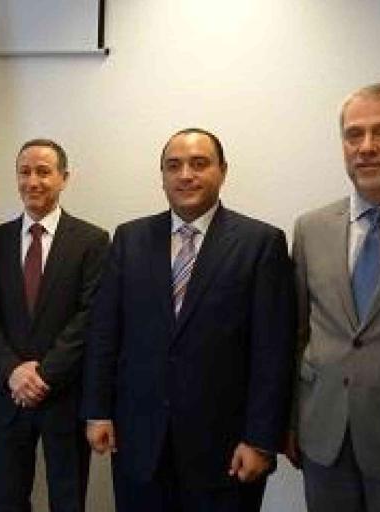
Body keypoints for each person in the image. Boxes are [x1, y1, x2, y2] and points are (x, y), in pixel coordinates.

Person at [83, 128, 296, 511]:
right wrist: (97, 410)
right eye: (174, 165)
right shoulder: (129, 239)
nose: (186, 175)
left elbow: (273, 352)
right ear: (162, 175)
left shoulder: (261, 243)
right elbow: (105, 333)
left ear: (223, 171)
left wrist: (261, 439)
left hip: (227, 450)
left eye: (199, 164)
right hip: (140, 442)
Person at [288, 83, 380, 512]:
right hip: (325, 442)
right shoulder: (312, 228)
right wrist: (290, 421)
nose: (365, 147)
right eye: (353, 135)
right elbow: (296, 333)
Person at [0, 139, 109, 512]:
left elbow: (90, 316)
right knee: (9, 499)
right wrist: (12, 371)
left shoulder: (93, 241)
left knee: (68, 500)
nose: (33, 181)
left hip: (64, 396)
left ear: (64, 178)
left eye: (43, 172)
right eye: (24, 171)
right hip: (8, 395)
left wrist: (44, 375)